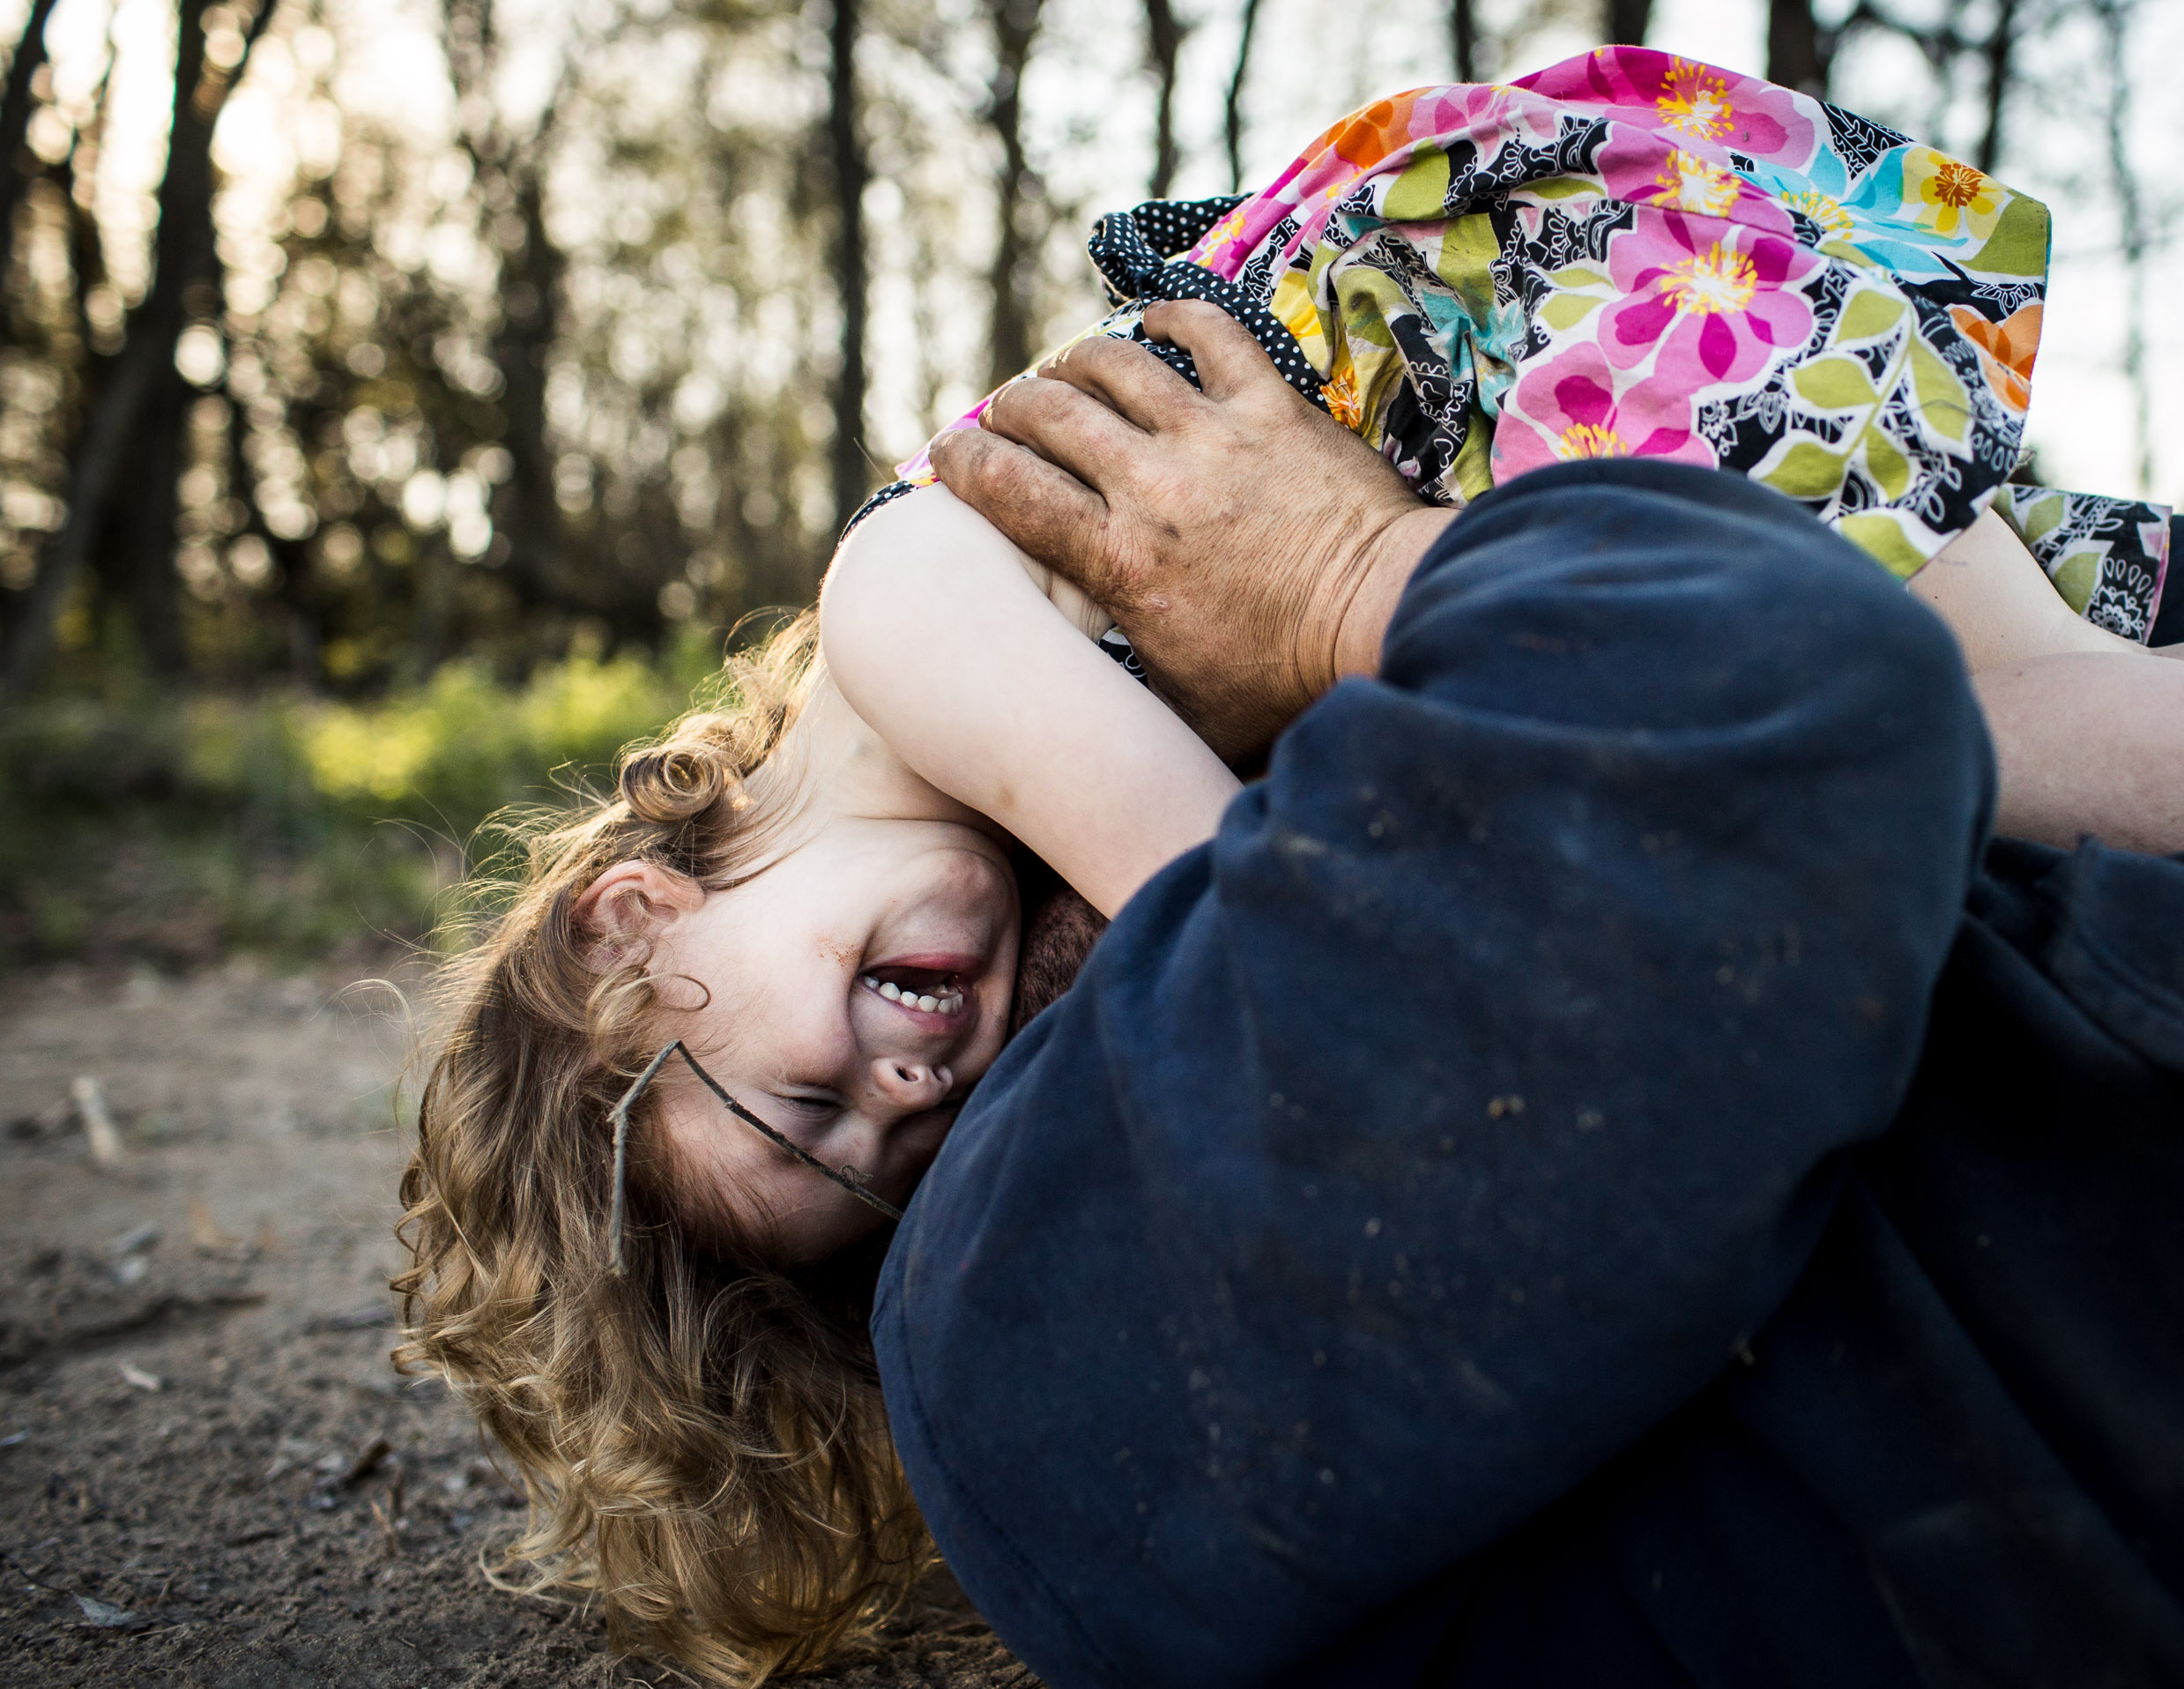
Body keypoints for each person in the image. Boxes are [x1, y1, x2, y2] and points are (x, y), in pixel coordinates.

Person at [392, 48, 2184, 1685]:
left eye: (802, 1106)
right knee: (2022, 713)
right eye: (895, 1164)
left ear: (636, 924)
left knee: (1986, 724)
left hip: (1543, 345)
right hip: (1553, 500)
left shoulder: (903, 604)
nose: (910, 1094)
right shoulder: (972, 828)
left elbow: (1265, 901)